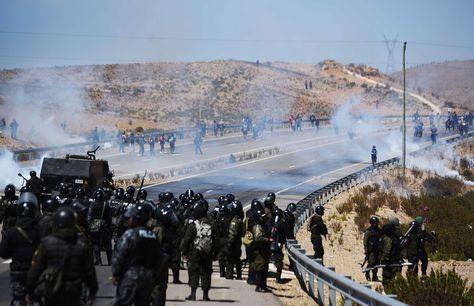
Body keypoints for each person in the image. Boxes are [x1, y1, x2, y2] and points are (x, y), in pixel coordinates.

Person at [26, 207, 98, 306]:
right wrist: (93, 291)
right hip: (73, 291)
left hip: (52, 289)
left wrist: (29, 290)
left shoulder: (46, 243)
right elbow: (89, 272)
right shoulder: (81, 245)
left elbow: (36, 269)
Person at [111, 203, 164, 306]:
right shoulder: (152, 235)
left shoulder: (130, 234)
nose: (128, 220)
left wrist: (115, 273)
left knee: (123, 302)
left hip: (130, 275)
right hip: (148, 277)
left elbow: (119, 255)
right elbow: (159, 257)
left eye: (131, 218)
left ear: (136, 219)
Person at [0, 192, 41, 306]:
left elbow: (3, 253)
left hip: (18, 271)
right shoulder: (40, 231)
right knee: (36, 300)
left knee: (18, 300)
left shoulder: (11, 232)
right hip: (36, 271)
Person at [180, 200, 216, 301]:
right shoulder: (211, 224)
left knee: (194, 272)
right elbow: (215, 240)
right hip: (207, 253)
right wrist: (215, 253)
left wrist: (184, 252)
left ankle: (193, 294)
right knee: (206, 273)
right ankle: (205, 295)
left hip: (194, 252)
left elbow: (187, 240)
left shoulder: (193, 225)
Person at [87, 189, 112, 266]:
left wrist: (89, 225)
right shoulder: (106, 205)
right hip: (105, 225)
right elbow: (109, 217)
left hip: (95, 224)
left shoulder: (92, 205)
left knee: (95, 243)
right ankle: (109, 260)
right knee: (107, 244)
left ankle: (99, 260)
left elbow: (89, 217)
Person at [250, 208, 271, 292]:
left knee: (264, 269)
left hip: (264, 250)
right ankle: (259, 286)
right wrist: (267, 240)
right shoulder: (257, 227)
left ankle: (263, 286)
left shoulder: (263, 226)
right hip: (259, 251)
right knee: (260, 269)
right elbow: (258, 239)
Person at [225, 201, 244, 280]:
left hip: (233, 243)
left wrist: (229, 243)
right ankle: (238, 274)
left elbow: (232, 233)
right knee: (237, 259)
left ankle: (229, 274)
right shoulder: (239, 219)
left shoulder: (234, 221)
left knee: (230, 259)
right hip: (237, 243)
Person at [380, 223, 401, 288]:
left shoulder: (388, 239)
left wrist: (383, 259)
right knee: (390, 278)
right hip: (392, 261)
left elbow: (387, 251)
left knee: (387, 279)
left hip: (389, 261)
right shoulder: (392, 239)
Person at [363, 215, 382, 281]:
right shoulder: (368, 231)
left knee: (377, 263)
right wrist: (366, 250)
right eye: (376, 223)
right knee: (371, 262)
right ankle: (367, 273)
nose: (377, 224)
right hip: (371, 250)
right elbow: (365, 242)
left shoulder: (379, 230)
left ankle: (374, 276)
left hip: (378, 249)